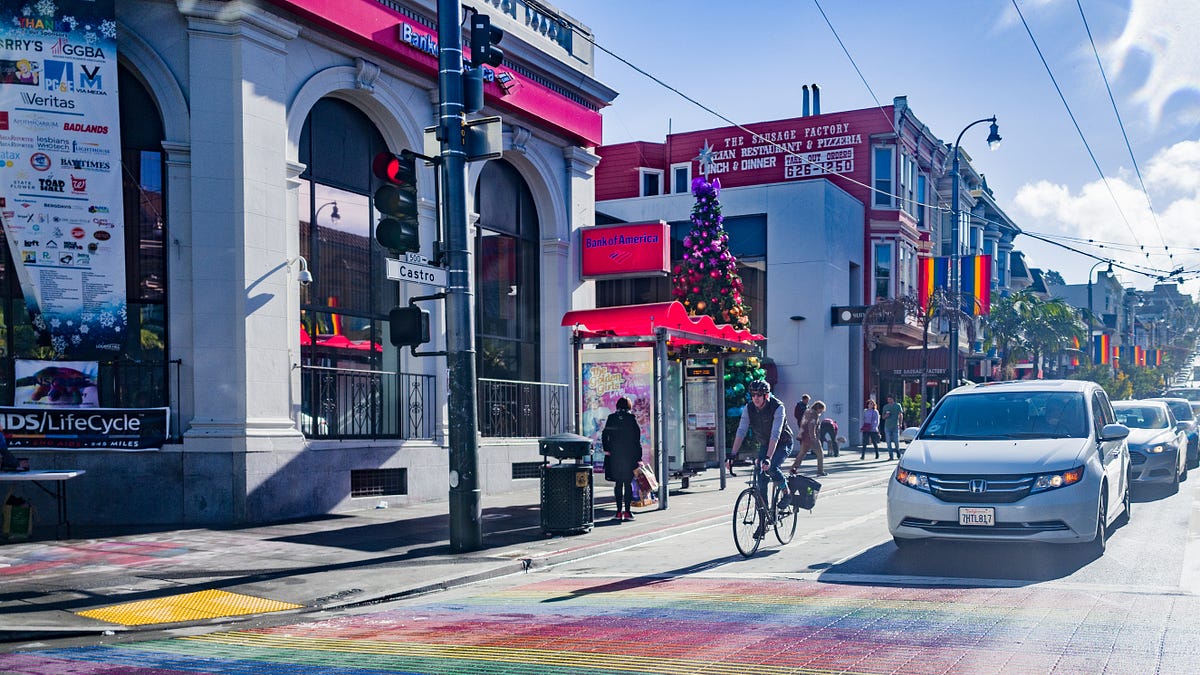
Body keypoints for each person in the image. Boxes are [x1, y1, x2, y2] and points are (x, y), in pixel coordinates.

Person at [729, 380, 793, 538]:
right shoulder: (749, 408)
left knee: (771, 467)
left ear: (766, 395)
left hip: (782, 442)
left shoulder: (778, 407)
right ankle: (763, 523)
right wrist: (732, 455)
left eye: (759, 395)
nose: (755, 398)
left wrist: (768, 458)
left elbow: (775, 434)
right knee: (761, 481)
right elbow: (741, 430)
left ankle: (787, 493)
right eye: (753, 395)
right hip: (765, 443)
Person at [601, 397, 642, 522]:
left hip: (615, 456)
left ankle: (618, 512)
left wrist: (607, 449)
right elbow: (637, 440)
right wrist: (638, 458)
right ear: (629, 406)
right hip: (629, 456)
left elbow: (604, 434)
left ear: (617, 406)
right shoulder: (631, 419)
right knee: (628, 484)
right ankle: (628, 512)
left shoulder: (611, 418)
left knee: (618, 484)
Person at [790, 400, 828, 477]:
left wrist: (801, 434)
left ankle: (793, 469)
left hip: (804, 437)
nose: (821, 411)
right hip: (811, 437)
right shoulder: (814, 414)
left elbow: (803, 423)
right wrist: (813, 438)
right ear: (818, 408)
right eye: (821, 410)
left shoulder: (807, 411)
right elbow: (811, 426)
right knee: (820, 454)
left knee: (801, 454)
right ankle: (820, 471)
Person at [881, 395, 904, 460]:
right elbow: (883, 417)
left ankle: (897, 451)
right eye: (888, 399)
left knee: (896, 441)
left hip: (895, 425)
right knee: (888, 442)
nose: (889, 401)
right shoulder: (885, 406)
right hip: (887, 426)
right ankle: (891, 456)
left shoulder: (897, 405)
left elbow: (900, 415)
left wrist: (900, 423)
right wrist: (886, 415)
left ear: (893, 399)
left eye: (890, 399)